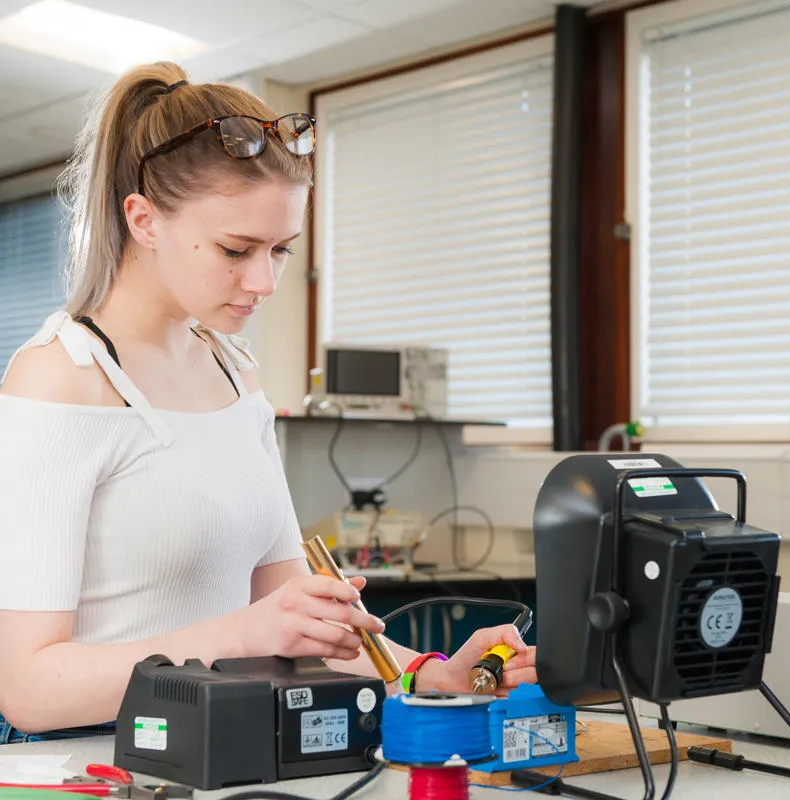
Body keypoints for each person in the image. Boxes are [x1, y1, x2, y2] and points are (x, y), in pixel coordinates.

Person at [0, 62, 537, 744]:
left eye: (282, 250)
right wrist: (239, 635)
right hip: (86, 764)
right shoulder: (57, 378)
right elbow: (27, 691)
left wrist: (431, 675)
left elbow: (296, 619)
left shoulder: (235, 372)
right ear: (143, 220)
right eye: (236, 248)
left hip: (228, 746)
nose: (265, 279)